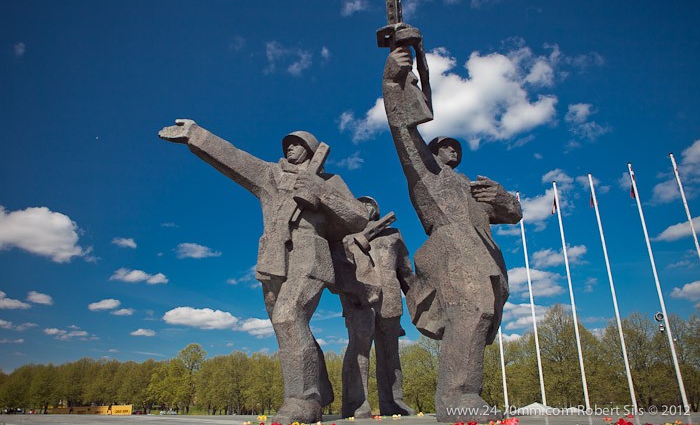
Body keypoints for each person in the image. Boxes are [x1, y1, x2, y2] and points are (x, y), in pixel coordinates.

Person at [159, 120, 368, 423]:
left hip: (310, 253)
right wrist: (196, 134)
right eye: (287, 144)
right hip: (273, 257)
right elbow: (233, 158)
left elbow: (359, 217)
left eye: (297, 143)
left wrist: (320, 192)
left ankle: (303, 400)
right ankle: (320, 387)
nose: (290, 147)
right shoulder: (271, 174)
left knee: (288, 316)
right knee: (288, 326)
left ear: (311, 149)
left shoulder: (330, 180)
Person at [381, 48, 522, 422]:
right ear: (431, 153)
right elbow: (401, 131)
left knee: (481, 317)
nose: (451, 149)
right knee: (472, 310)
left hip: (485, 258)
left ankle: (464, 395)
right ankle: (457, 398)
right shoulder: (427, 176)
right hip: (451, 249)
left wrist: (503, 198)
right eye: (444, 145)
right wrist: (392, 81)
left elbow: (513, 215)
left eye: (456, 146)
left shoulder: (473, 188)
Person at [331, 197, 415, 418]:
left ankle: (394, 401)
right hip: (358, 298)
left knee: (390, 354)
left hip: (390, 299)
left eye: (369, 205)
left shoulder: (393, 235)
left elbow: (405, 271)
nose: (365, 208)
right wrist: (352, 244)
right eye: (360, 205)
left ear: (376, 210)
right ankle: (356, 403)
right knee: (359, 349)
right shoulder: (344, 237)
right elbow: (337, 268)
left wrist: (417, 301)